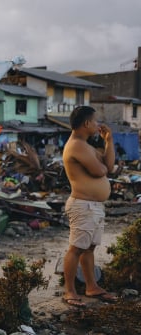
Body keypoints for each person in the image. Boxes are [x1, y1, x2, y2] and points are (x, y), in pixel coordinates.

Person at [61, 106, 118, 308]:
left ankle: (91, 286)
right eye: (95, 121)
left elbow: (109, 166)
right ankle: (69, 290)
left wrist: (109, 141)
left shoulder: (86, 145)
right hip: (82, 205)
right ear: (86, 123)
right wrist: (102, 165)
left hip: (93, 206)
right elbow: (99, 170)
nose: (97, 124)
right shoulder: (76, 145)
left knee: (89, 248)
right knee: (76, 248)